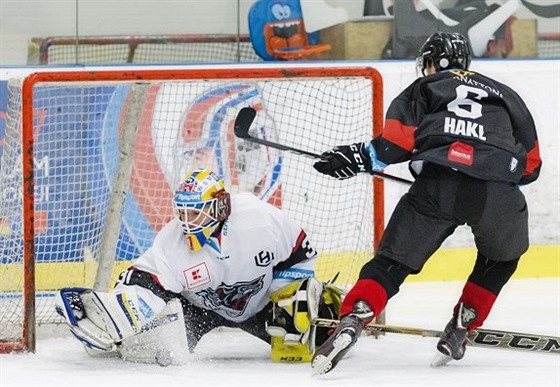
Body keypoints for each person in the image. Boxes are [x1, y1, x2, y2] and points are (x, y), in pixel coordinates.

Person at [310, 31, 541, 374]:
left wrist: (354, 158)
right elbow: (532, 167)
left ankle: (355, 316)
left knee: (390, 264)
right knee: (501, 258)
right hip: (498, 193)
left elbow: (393, 144)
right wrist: (485, 170)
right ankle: (463, 323)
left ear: (432, 63)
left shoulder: (425, 87)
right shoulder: (507, 95)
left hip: (437, 187)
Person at [55, 168, 341, 365]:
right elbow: (145, 277)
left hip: (262, 305)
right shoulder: (172, 241)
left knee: (315, 338)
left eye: (194, 212)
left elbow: (300, 250)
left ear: (219, 207)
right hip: (200, 310)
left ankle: (338, 308)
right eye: (182, 212)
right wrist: (120, 307)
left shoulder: (259, 219)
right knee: (155, 351)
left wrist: (285, 296)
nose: (186, 221)